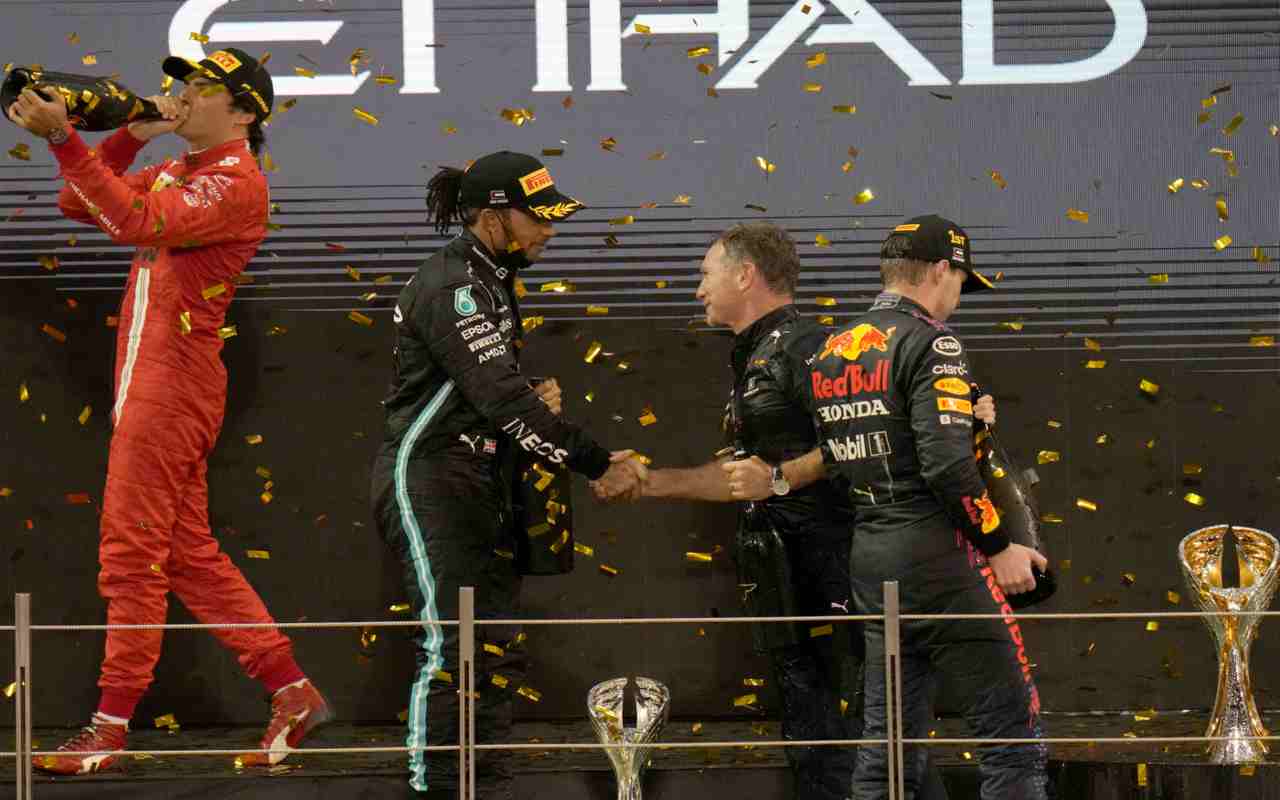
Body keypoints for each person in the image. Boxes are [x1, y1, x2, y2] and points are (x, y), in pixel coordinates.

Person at [8, 48, 328, 774]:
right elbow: (79, 202)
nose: (180, 94)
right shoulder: (182, 168)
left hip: (173, 387)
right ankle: (291, 688)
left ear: (243, 113)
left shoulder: (236, 183)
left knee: (131, 554)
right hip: (155, 383)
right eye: (180, 82)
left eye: (201, 87)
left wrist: (63, 136)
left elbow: (129, 221)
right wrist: (129, 135)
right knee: (184, 553)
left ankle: (109, 728)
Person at [629, 222, 973, 800]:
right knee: (814, 733)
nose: (698, 288)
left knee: (861, 733)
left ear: (745, 275)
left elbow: (861, 441)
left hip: (835, 573)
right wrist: (650, 483)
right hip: (786, 580)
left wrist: (780, 479)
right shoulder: (753, 355)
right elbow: (747, 477)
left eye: (705, 274)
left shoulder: (809, 347)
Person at [371, 152, 645, 798]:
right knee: (454, 652)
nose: (550, 230)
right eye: (538, 217)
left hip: (476, 479)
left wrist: (526, 393)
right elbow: (501, 402)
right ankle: (441, 790)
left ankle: (487, 787)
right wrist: (598, 461)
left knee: (492, 649)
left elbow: (484, 392)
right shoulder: (455, 286)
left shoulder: (488, 279)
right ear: (493, 217)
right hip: (431, 478)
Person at [809, 215, 1049, 799]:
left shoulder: (832, 350)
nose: (959, 297)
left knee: (888, 748)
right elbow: (945, 467)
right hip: (940, 557)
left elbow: (842, 464)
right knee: (1013, 739)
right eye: (962, 282)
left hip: (872, 558)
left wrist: (966, 421)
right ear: (942, 269)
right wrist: (999, 547)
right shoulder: (933, 342)